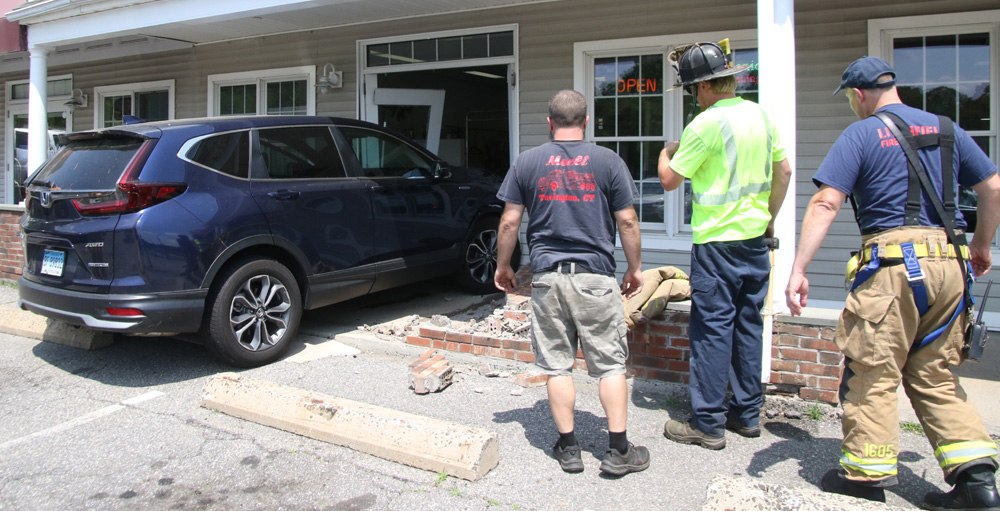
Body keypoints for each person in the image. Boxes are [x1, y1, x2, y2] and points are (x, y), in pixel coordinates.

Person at [785, 56, 1000, 508]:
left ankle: (865, 477)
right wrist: (982, 246)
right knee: (935, 373)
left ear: (858, 94)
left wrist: (799, 269)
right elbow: (993, 188)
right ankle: (978, 482)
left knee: (874, 371)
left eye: (849, 98)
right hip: (950, 264)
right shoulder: (947, 129)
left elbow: (826, 202)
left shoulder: (862, 133)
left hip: (894, 269)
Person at [493, 89, 648, 476]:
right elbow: (627, 220)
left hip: (547, 279)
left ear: (549, 122)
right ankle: (618, 451)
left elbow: (510, 221)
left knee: (558, 366)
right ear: (586, 121)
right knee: (610, 365)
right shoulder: (607, 161)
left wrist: (503, 265)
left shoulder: (527, 161)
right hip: (595, 277)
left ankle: (569, 448)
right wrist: (635, 268)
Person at [657, 41, 792, 451]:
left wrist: (667, 151)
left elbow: (669, 180)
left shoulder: (703, 124)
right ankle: (747, 415)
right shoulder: (761, 116)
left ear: (700, 88)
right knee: (749, 326)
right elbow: (783, 172)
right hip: (754, 239)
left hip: (717, 244)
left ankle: (707, 424)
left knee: (713, 332)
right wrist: (769, 218)